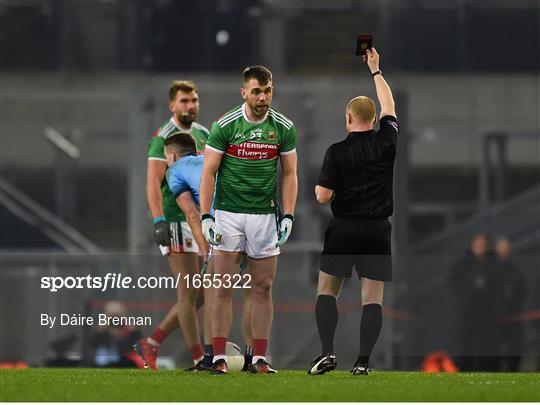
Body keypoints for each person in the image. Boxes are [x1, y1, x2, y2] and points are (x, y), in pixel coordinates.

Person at [199, 65, 298, 374]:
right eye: (257, 91)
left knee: (263, 287)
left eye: (268, 91)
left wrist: (289, 215)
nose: (263, 97)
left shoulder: (283, 127)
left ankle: (258, 358)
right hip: (229, 215)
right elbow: (208, 172)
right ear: (244, 92)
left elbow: (291, 173)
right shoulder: (225, 125)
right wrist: (206, 216)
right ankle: (217, 356)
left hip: (265, 217)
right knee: (223, 286)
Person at [308, 48, 398, 376]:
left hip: (345, 228)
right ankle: (362, 363)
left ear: (348, 120)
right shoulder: (387, 141)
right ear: (374, 120)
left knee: (327, 290)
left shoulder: (336, 151)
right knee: (372, 299)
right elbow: (389, 105)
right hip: (377, 229)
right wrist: (375, 70)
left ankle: (328, 353)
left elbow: (321, 196)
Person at [134, 81, 210, 371]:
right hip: (175, 219)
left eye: (194, 99)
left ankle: (151, 343)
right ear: (172, 105)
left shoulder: (203, 134)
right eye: (185, 101)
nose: (191, 105)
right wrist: (157, 220)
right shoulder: (162, 139)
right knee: (189, 290)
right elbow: (153, 183)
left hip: (199, 220)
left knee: (201, 294)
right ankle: (197, 358)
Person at [449, 233, 498, 371]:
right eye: (477, 244)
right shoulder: (463, 265)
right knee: (466, 347)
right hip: (467, 315)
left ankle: (488, 373)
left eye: (483, 245)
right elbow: (453, 283)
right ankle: (465, 372)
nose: (480, 248)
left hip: (488, 315)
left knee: (487, 348)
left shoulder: (493, 265)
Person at [494, 237, 527, 372]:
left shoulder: (514, 269)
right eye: (501, 249)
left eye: (506, 249)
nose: (504, 252)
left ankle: (513, 372)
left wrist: (514, 303)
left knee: (516, 348)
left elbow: (523, 291)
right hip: (494, 319)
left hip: (513, 317)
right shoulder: (490, 269)